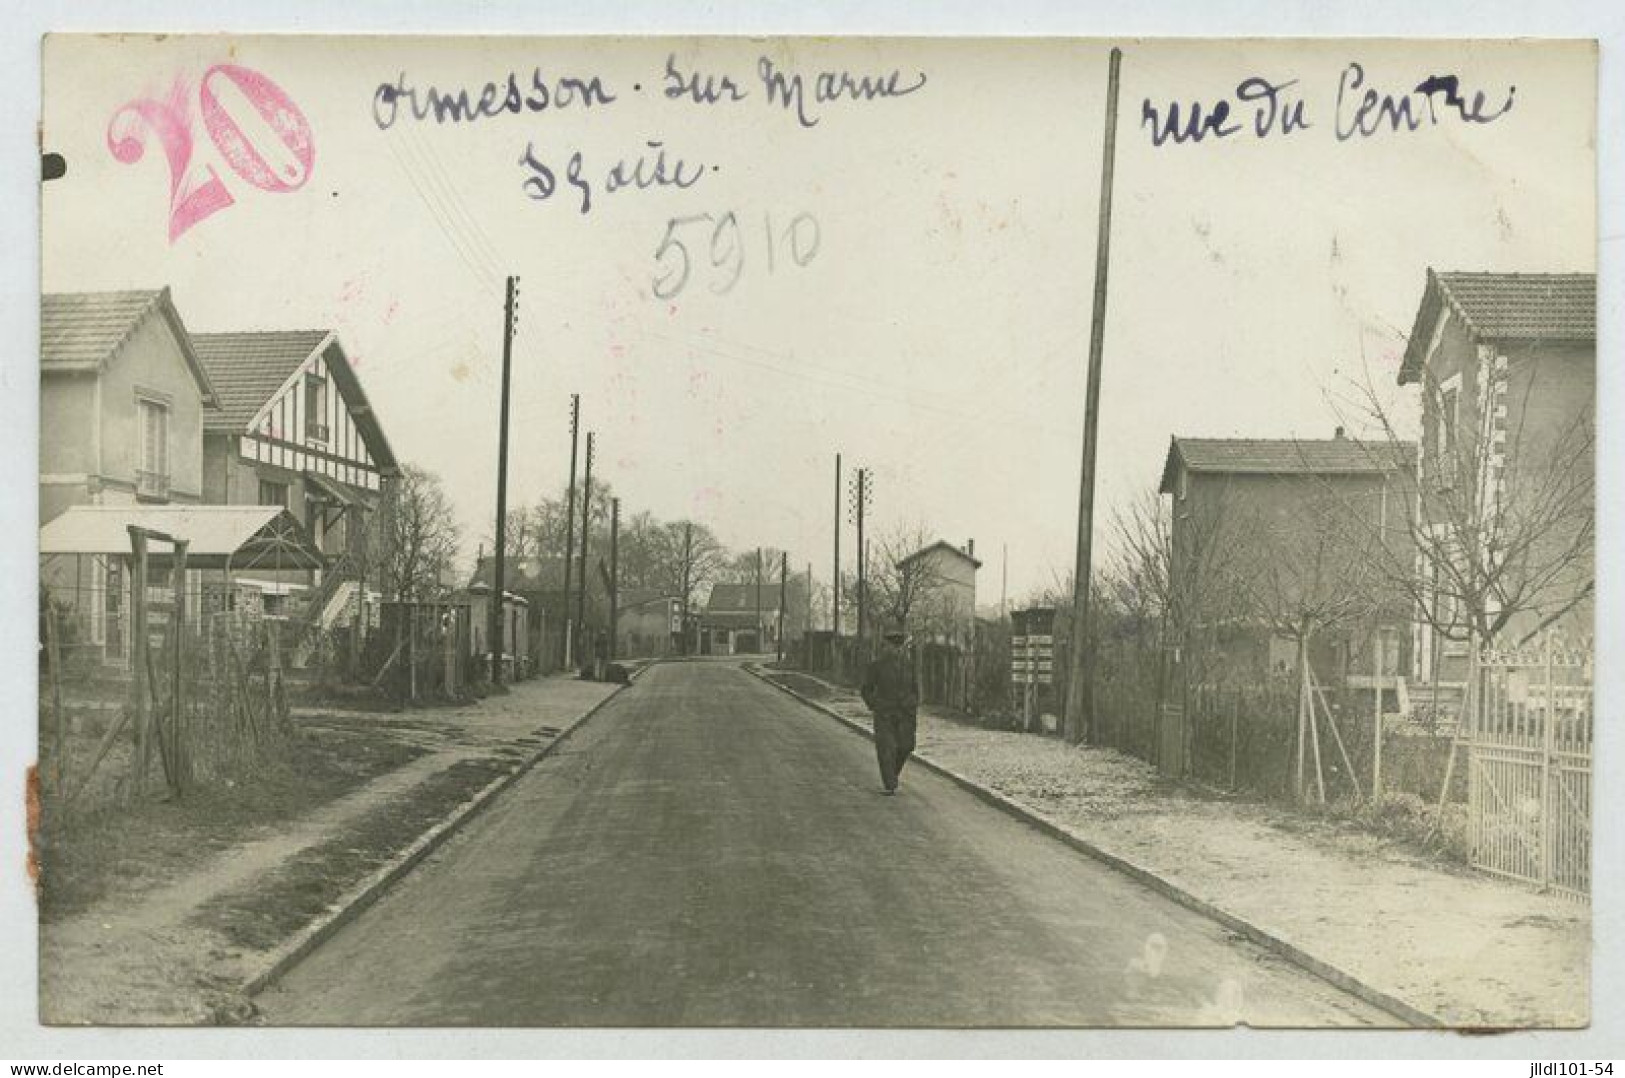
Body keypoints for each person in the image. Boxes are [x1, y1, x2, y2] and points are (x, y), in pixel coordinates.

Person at [861, 629, 919, 795]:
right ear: (886, 647)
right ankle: (890, 784)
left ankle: (891, 775)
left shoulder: (909, 665)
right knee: (887, 749)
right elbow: (866, 689)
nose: (896, 650)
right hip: (885, 713)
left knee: (906, 746)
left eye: (899, 647)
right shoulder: (876, 666)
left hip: (905, 713)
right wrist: (875, 705)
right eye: (892, 646)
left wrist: (913, 703)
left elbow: (915, 688)